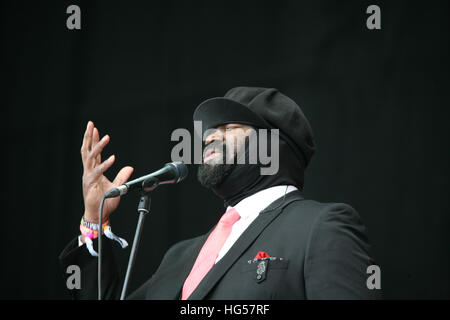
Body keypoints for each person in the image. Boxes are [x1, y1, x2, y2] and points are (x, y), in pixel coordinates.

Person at [59, 87, 381, 299]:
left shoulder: (320, 227)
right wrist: (93, 220)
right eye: (210, 132)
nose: (210, 138)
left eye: (228, 129)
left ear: (274, 145)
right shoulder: (181, 255)